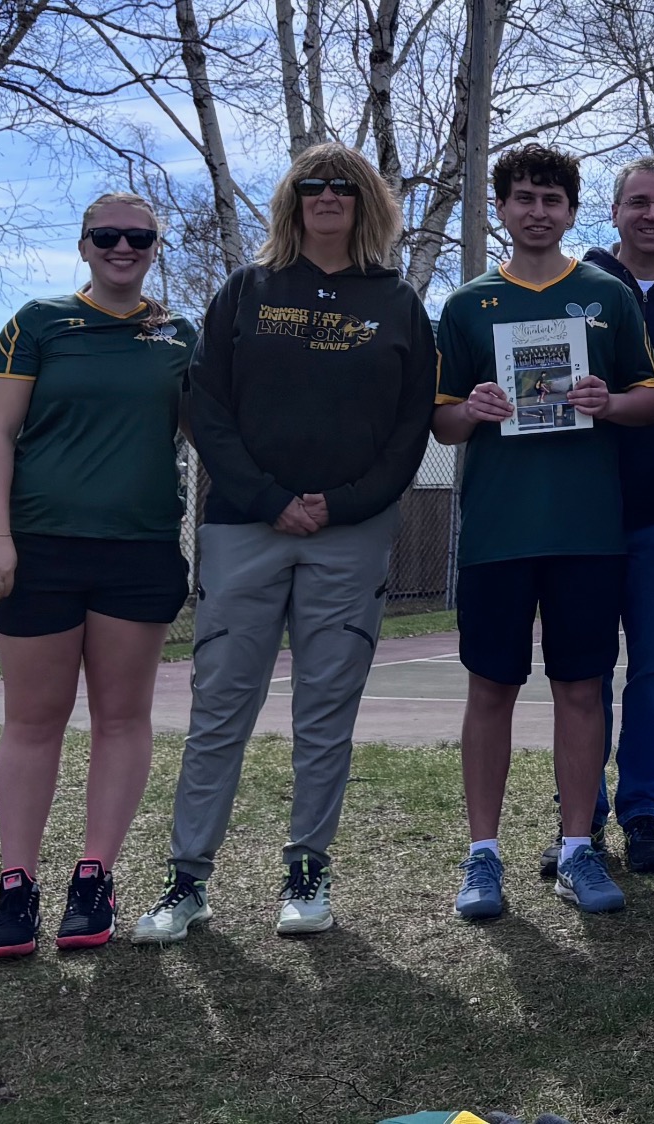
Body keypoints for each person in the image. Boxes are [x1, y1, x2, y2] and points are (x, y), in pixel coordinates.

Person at [133, 142, 437, 943]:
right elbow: (209, 408)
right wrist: (271, 501)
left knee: (324, 713)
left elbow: (410, 431)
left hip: (350, 536)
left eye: (343, 185)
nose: (327, 195)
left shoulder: (399, 301)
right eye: (313, 185)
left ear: (366, 200)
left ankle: (308, 870)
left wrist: (339, 504)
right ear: (293, 201)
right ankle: (187, 880)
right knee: (220, 709)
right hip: (245, 528)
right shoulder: (247, 290)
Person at [434, 145, 654, 920]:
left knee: (579, 687)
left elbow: (653, 400)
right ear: (502, 207)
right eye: (524, 197)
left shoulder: (607, 295)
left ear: (573, 211)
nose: (538, 211)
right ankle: (483, 856)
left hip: (588, 532)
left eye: (552, 199)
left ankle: (577, 849)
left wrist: (609, 400)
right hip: (500, 533)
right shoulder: (469, 303)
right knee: (492, 687)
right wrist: (473, 410)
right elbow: (442, 421)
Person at [0, 193, 197, 958]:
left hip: (139, 552)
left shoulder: (178, 335)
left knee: (122, 720)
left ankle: (93, 879)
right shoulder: (36, 323)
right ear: (84, 244)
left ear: (155, 246)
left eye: (139, 237)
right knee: (33, 722)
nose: (123, 247)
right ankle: (15, 886)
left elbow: (215, 433)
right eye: (108, 235)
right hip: (39, 551)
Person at [522, 157, 654, 881]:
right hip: (580, 520)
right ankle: (581, 820)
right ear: (613, 210)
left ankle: (644, 814)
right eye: (638, 201)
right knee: (582, 677)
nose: (651, 214)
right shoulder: (570, 288)